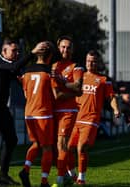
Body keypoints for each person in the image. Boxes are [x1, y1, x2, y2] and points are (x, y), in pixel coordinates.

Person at [0, 38, 46, 186]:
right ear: (4, 51)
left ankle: (4, 174)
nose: (17, 53)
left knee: (11, 139)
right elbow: (14, 67)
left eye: (18, 50)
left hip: (2, 108)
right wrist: (32, 53)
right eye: (14, 50)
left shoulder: (11, 65)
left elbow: (20, 76)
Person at [68, 50, 120, 185]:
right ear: (85, 62)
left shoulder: (103, 80)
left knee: (82, 146)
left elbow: (111, 97)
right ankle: (72, 175)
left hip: (91, 120)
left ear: (98, 62)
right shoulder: (79, 77)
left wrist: (115, 109)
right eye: (88, 61)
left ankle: (81, 179)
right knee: (67, 149)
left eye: (93, 61)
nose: (90, 63)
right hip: (75, 118)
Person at [18, 41, 55, 187]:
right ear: (50, 55)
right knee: (47, 148)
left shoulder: (27, 71)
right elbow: (55, 94)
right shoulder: (48, 72)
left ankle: (25, 170)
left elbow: (26, 93)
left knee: (36, 144)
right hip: (43, 114)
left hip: (29, 113)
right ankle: (44, 181)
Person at [50, 36, 84, 187]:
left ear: (73, 49)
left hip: (69, 110)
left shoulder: (76, 67)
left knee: (61, 144)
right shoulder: (54, 66)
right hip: (54, 110)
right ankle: (72, 175)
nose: (66, 49)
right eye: (63, 47)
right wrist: (72, 91)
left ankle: (60, 178)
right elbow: (57, 94)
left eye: (68, 47)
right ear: (59, 48)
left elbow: (78, 88)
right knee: (61, 146)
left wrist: (63, 81)